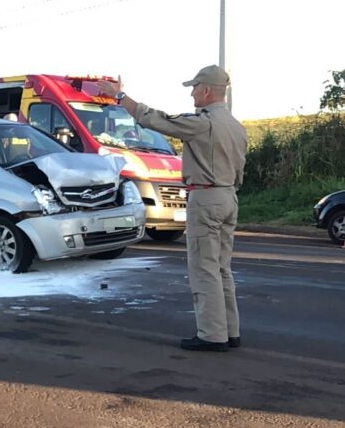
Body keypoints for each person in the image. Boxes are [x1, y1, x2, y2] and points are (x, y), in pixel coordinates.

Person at [97, 66, 247, 352]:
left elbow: (157, 121)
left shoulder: (204, 122)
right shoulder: (236, 126)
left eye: (194, 88)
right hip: (229, 196)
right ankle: (230, 331)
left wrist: (121, 97)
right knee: (221, 268)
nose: (191, 93)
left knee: (204, 267)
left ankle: (212, 335)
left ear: (206, 90)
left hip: (205, 197)